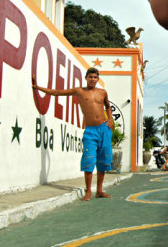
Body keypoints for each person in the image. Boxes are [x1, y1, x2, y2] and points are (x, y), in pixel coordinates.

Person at [31, 68, 114, 201]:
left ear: (98, 79)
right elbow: (57, 93)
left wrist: (110, 119)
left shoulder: (103, 92)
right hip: (90, 130)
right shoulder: (79, 91)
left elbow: (108, 106)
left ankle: (99, 190)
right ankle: (88, 192)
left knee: (103, 161)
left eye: (95, 77)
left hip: (104, 129)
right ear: (86, 78)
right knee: (89, 159)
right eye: (90, 77)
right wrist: (37, 87)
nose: (92, 79)